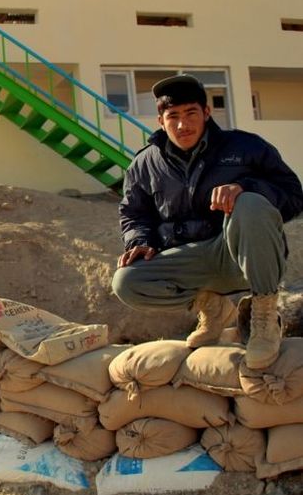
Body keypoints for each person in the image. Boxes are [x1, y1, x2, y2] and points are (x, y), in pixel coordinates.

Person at [111, 74, 303, 370]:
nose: (182, 124)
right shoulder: (144, 164)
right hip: (188, 260)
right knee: (126, 281)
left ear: (206, 113)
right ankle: (213, 310)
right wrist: (139, 241)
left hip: (241, 254)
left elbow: (293, 194)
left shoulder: (246, 147)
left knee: (250, 201)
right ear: (160, 121)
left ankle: (264, 317)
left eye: (190, 113)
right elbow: (134, 213)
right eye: (172, 116)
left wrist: (246, 187)